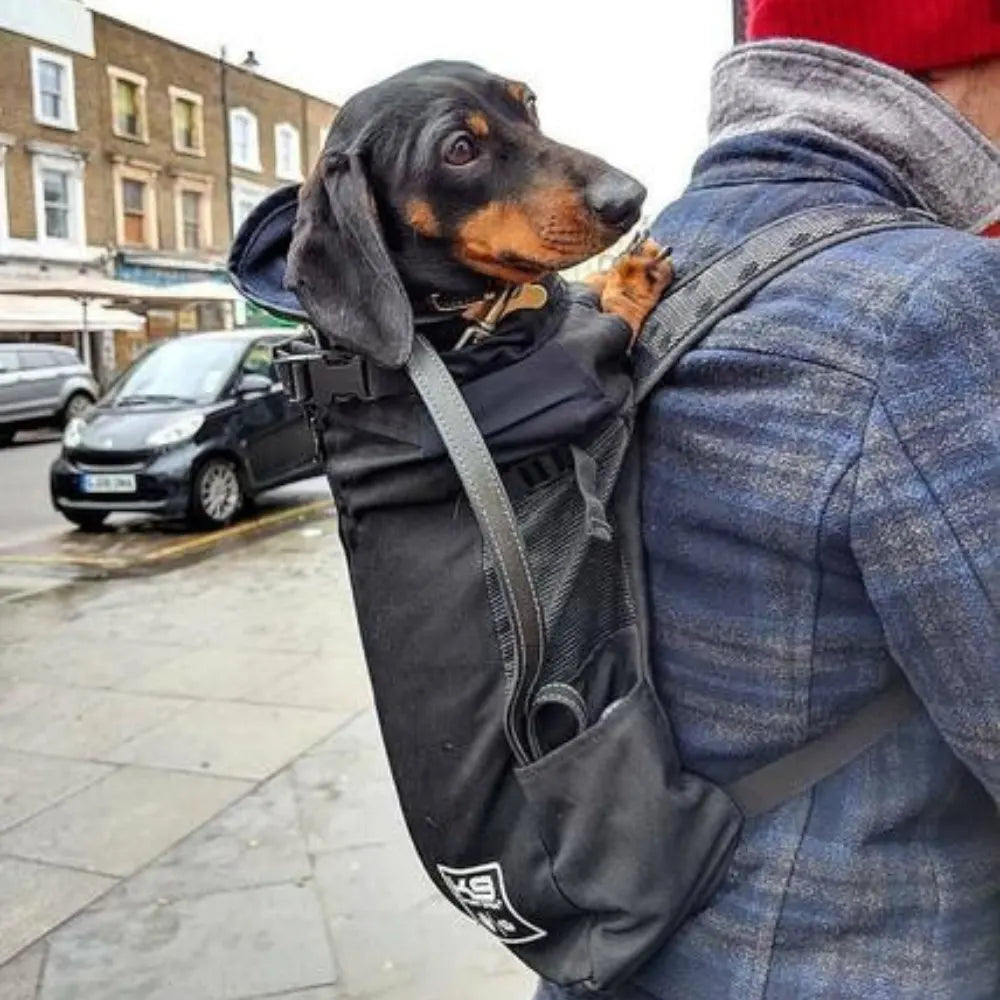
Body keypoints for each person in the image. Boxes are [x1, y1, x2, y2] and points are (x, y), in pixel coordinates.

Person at [535, 2, 1000, 998]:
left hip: (614, 941)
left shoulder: (612, 285)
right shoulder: (939, 301)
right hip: (849, 956)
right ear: (949, 66)